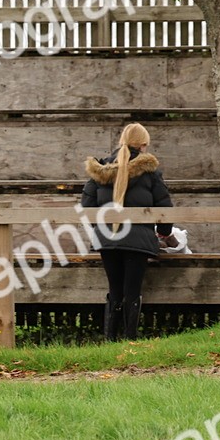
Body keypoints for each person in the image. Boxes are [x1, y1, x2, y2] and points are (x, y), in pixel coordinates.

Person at [80, 122, 175, 342]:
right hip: (138, 241)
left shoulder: (100, 169)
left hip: (108, 240)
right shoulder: (150, 172)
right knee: (132, 289)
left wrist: (101, 230)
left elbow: (86, 207)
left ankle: (110, 339)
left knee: (115, 289)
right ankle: (130, 339)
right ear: (143, 145)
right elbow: (164, 207)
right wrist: (164, 233)